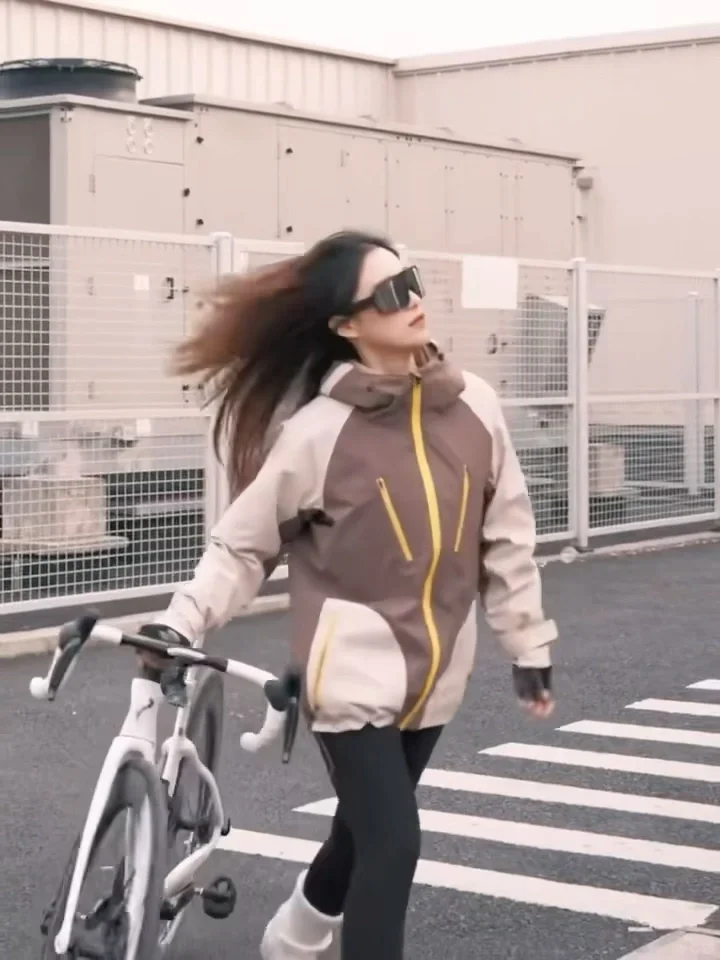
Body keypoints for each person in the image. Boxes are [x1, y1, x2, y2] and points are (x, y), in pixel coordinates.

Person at [136, 230, 558, 960]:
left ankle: (294, 936)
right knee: (393, 842)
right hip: (349, 674)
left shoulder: (476, 407)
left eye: (412, 280)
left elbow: (507, 535)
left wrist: (527, 644)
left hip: (437, 674)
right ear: (346, 325)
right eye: (390, 293)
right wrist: (181, 621)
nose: (414, 299)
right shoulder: (317, 435)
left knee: (361, 833)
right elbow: (243, 545)